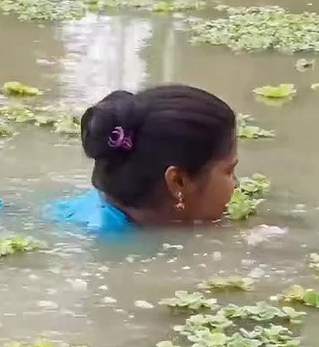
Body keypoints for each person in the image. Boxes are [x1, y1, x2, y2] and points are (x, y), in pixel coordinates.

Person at [45, 84, 239, 234]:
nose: (236, 184)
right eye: (229, 171)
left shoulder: (89, 209)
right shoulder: (111, 248)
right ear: (178, 181)